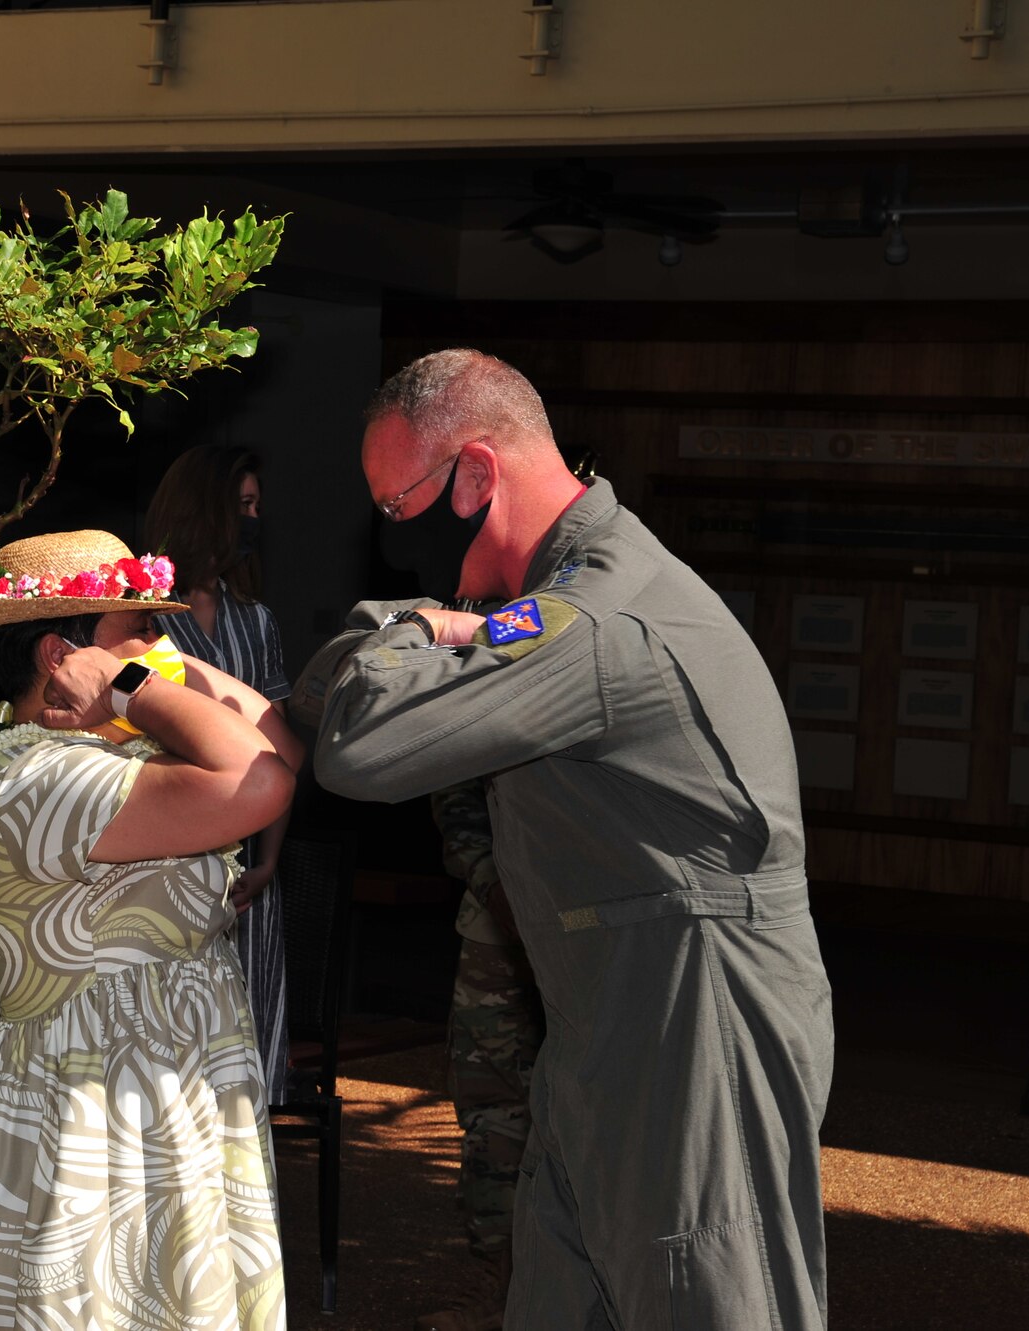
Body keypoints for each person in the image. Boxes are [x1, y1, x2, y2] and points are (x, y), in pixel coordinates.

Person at [294, 349, 833, 1331]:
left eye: (400, 513)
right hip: (605, 1009)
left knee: (702, 1293)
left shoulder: (594, 619)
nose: (391, 543)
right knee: (559, 1296)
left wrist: (415, 626)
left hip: (685, 1007)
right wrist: (423, 629)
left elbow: (361, 744)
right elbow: (322, 695)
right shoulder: (555, 600)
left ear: (474, 476)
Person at [0, 528, 303, 1331]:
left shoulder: (112, 758)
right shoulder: (30, 775)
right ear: (57, 655)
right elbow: (259, 779)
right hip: (98, 1109)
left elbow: (278, 739)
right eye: (133, 630)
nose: (157, 649)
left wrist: (158, 663)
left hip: (167, 1090)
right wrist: (135, 682)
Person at [144, 444, 295, 1101]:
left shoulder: (255, 622)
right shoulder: (143, 618)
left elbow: (282, 751)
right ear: (206, 512)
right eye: (244, 506)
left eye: (258, 505)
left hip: (249, 881)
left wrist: (267, 861)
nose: (254, 518)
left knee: (247, 1056)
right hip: (167, 865)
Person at [416, 779, 544, 1331]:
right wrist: (496, 886)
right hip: (499, 929)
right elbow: (456, 795)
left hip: (608, 930)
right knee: (494, 1114)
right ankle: (500, 1291)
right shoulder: (495, 693)